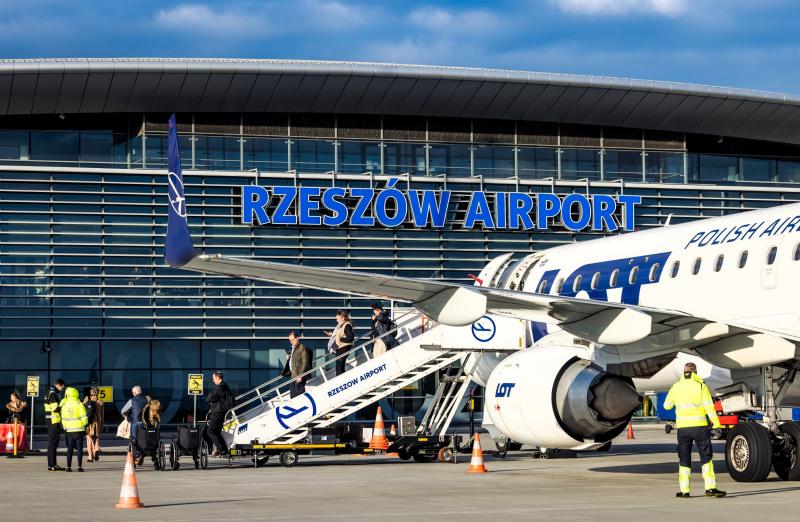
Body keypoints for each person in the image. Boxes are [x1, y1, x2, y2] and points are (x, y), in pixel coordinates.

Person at [664, 362, 726, 498]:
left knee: (684, 459)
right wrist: (717, 425)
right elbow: (709, 408)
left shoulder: (676, 386)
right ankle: (710, 488)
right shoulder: (701, 386)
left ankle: (684, 491)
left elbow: (667, 406)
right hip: (700, 428)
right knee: (706, 457)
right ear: (695, 372)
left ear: (684, 372)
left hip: (683, 429)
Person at [59, 387, 88, 472]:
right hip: (79, 430)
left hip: (69, 430)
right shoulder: (79, 404)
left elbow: (63, 417)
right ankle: (79, 467)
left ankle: (68, 467)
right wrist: (85, 424)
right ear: (76, 394)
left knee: (70, 449)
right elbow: (84, 417)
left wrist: (65, 426)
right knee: (79, 449)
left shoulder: (64, 404)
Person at [204, 372, 232, 457]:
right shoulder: (223, 386)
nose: (213, 380)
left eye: (213, 378)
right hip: (220, 411)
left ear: (218, 378)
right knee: (216, 432)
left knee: (210, 431)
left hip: (219, 412)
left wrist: (210, 400)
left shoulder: (220, 387)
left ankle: (222, 449)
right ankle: (224, 450)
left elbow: (210, 397)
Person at [120, 385, 148, 462]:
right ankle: (142, 453)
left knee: (133, 439)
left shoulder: (132, 400)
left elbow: (123, 411)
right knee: (144, 438)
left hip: (135, 423)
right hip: (146, 424)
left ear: (134, 393)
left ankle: (135, 454)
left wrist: (126, 417)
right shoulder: (147, 399)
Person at [44, 378, 66, 471]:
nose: (62, 389)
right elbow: (55, 409)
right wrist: (64, 405)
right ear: (58, 385)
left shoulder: (49, 392)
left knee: (51, 444)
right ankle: (52, 465)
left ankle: (52, 464)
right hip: (53, 421)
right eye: (62, 388)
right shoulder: (52, 393)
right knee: (53, 444)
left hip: (50, 421)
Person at [282, 331, 312, 398]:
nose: (291, 342)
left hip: (299, 376)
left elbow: (305, 363)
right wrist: (289, 358)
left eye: (292, 340)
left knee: (298, 396)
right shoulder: (294, 348)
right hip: (293, 375)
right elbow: (295, 360)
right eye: (290, 340)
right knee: (293, 396)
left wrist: (301, 375)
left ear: (297, 338)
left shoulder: (302, 348)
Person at [324, 310, 354, 376]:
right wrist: (332, 335)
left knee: (339, 367)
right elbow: (341, 334)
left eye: (338, 318)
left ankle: (341, 380)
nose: (336, 320)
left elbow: (350, 337)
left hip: (344, 347)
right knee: (339, 367)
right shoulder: (341, 325)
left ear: (343, 318)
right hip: (341, 347)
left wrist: (340, 339)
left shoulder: (347, 325)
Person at [83, 386, 104, 463]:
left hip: (89, 421)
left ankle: (90, 457)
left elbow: (83, 410)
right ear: (97, 392)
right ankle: (96, 449)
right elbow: (102, 414)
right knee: (96, 437)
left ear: (90, 392)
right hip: (97, 421)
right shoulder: (100, 401)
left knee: (89, 439)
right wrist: (101, 425)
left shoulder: (87, 399)